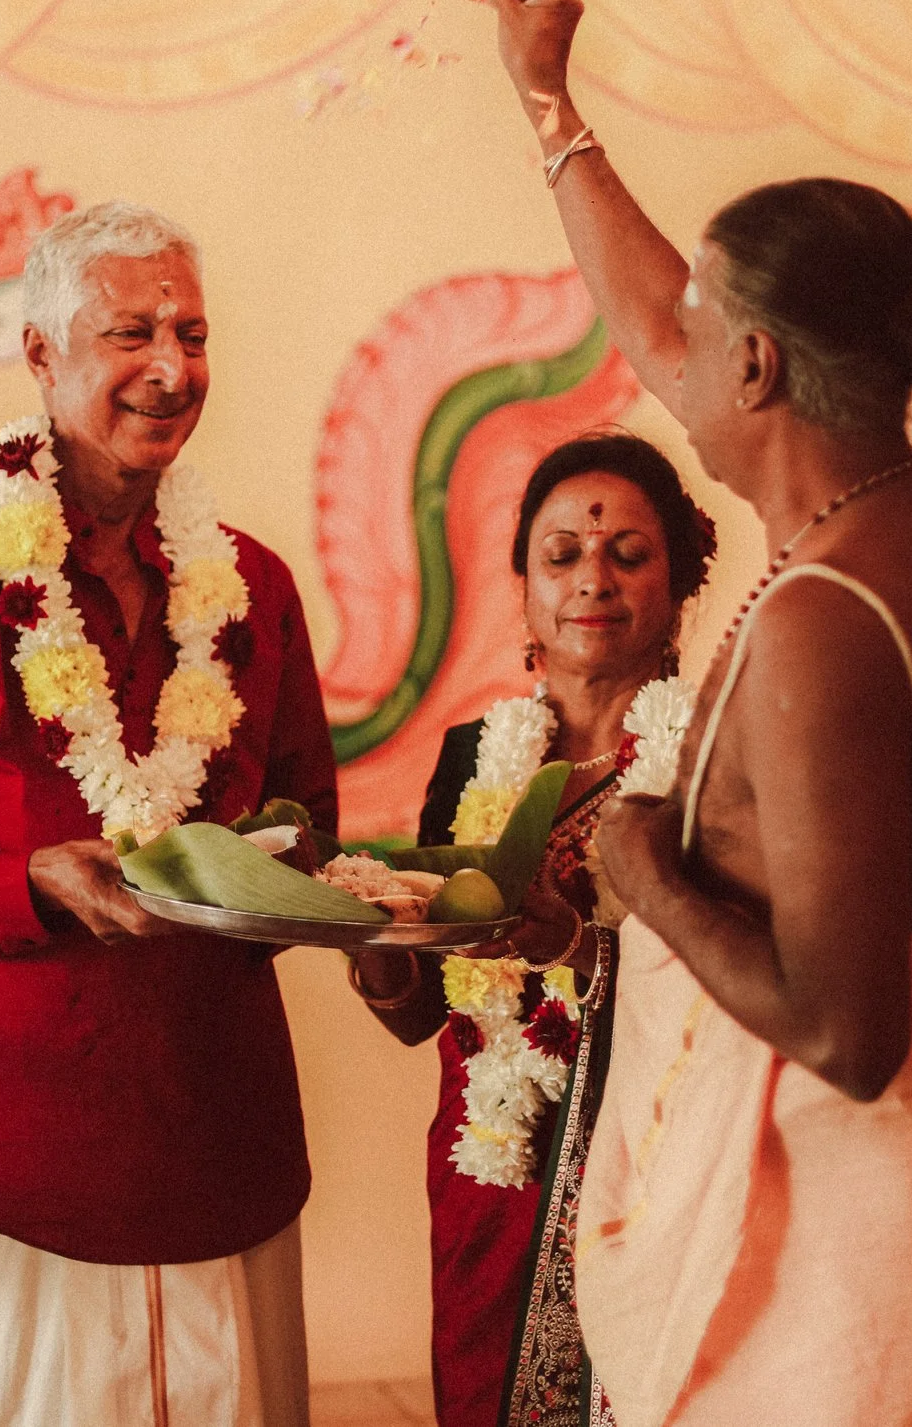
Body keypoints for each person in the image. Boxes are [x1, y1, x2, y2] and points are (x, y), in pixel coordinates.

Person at [482, 0, 912, 1425]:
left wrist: (642, 863)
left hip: (896, 1195)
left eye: (700, 330)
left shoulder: (825, 613)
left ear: (754, 364)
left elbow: (852, 1031)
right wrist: (547, 102)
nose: (663, 358)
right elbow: (648, 318)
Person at [0, 202, 336, 1427]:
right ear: (43, 357)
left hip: (228, 1146)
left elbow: (309, 817)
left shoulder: (254, 586)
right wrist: (29, 883)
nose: (173, 367)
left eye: (194, 332)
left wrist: (295, 880)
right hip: (30, 1161)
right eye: (131, 333)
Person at [350, 433, 716, 1427]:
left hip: (655, 1159)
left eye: (627, 554)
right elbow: (413, 1009)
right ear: (522, 588)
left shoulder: (712, 762)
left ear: (678, 581)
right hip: (493, 1168)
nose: (591, 578)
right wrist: (369, 936)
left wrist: (577, 946)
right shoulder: (475, 756)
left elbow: (735, 989)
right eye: (561, 555)